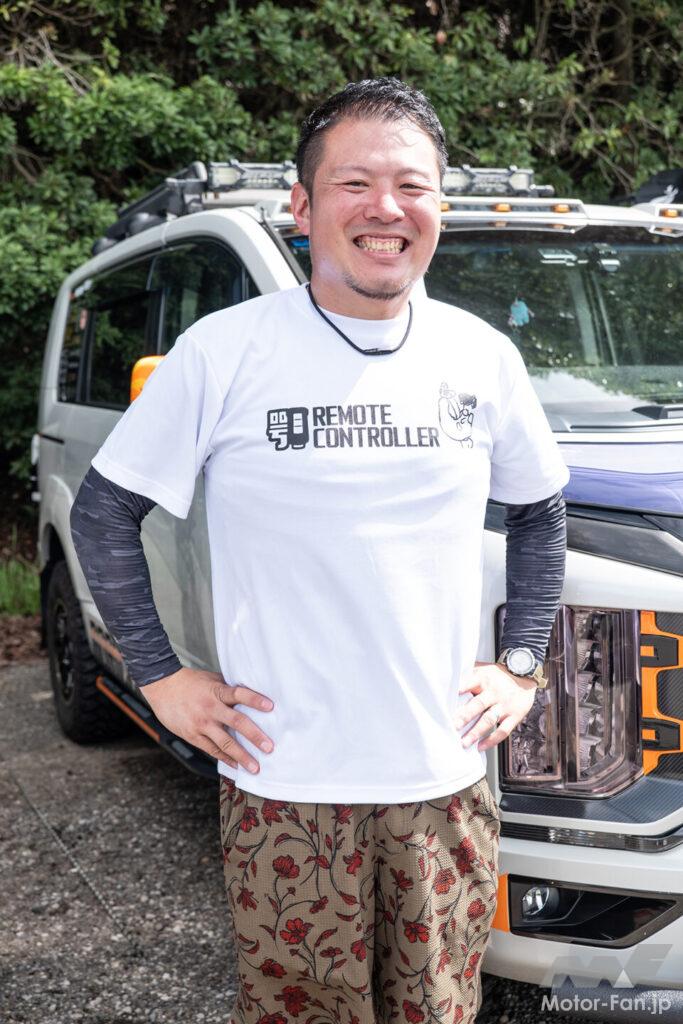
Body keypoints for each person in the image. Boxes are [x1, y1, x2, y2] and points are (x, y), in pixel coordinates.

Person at [70, 77, 569, 1024]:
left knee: (439, 1011)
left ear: (439, 208)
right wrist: (161, 677)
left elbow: (540, 509)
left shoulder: (480, 355)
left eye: (412, 186)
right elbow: (103, 513)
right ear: (301, 208)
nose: (386, 208)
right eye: (354, 183)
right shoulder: (224, 351)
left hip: (443, 783)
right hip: (286, 787)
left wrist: (520, 664)